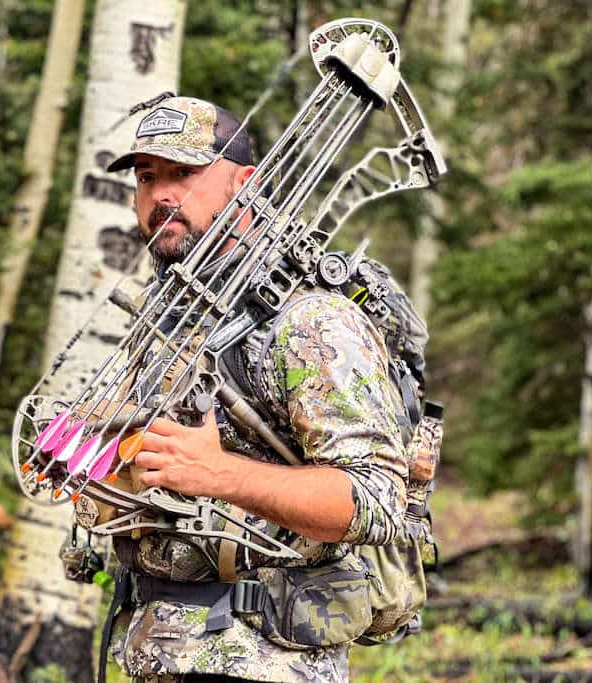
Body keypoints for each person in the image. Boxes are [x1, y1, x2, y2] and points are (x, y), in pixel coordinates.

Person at [97, 96, 410, 683]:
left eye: (184, 173)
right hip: (158, 652)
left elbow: (376, 500)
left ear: (245, 185)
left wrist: (219, 474)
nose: (161, 195)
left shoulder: (311, 321)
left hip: (267, 662)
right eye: (146, 177)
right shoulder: (170, 319)